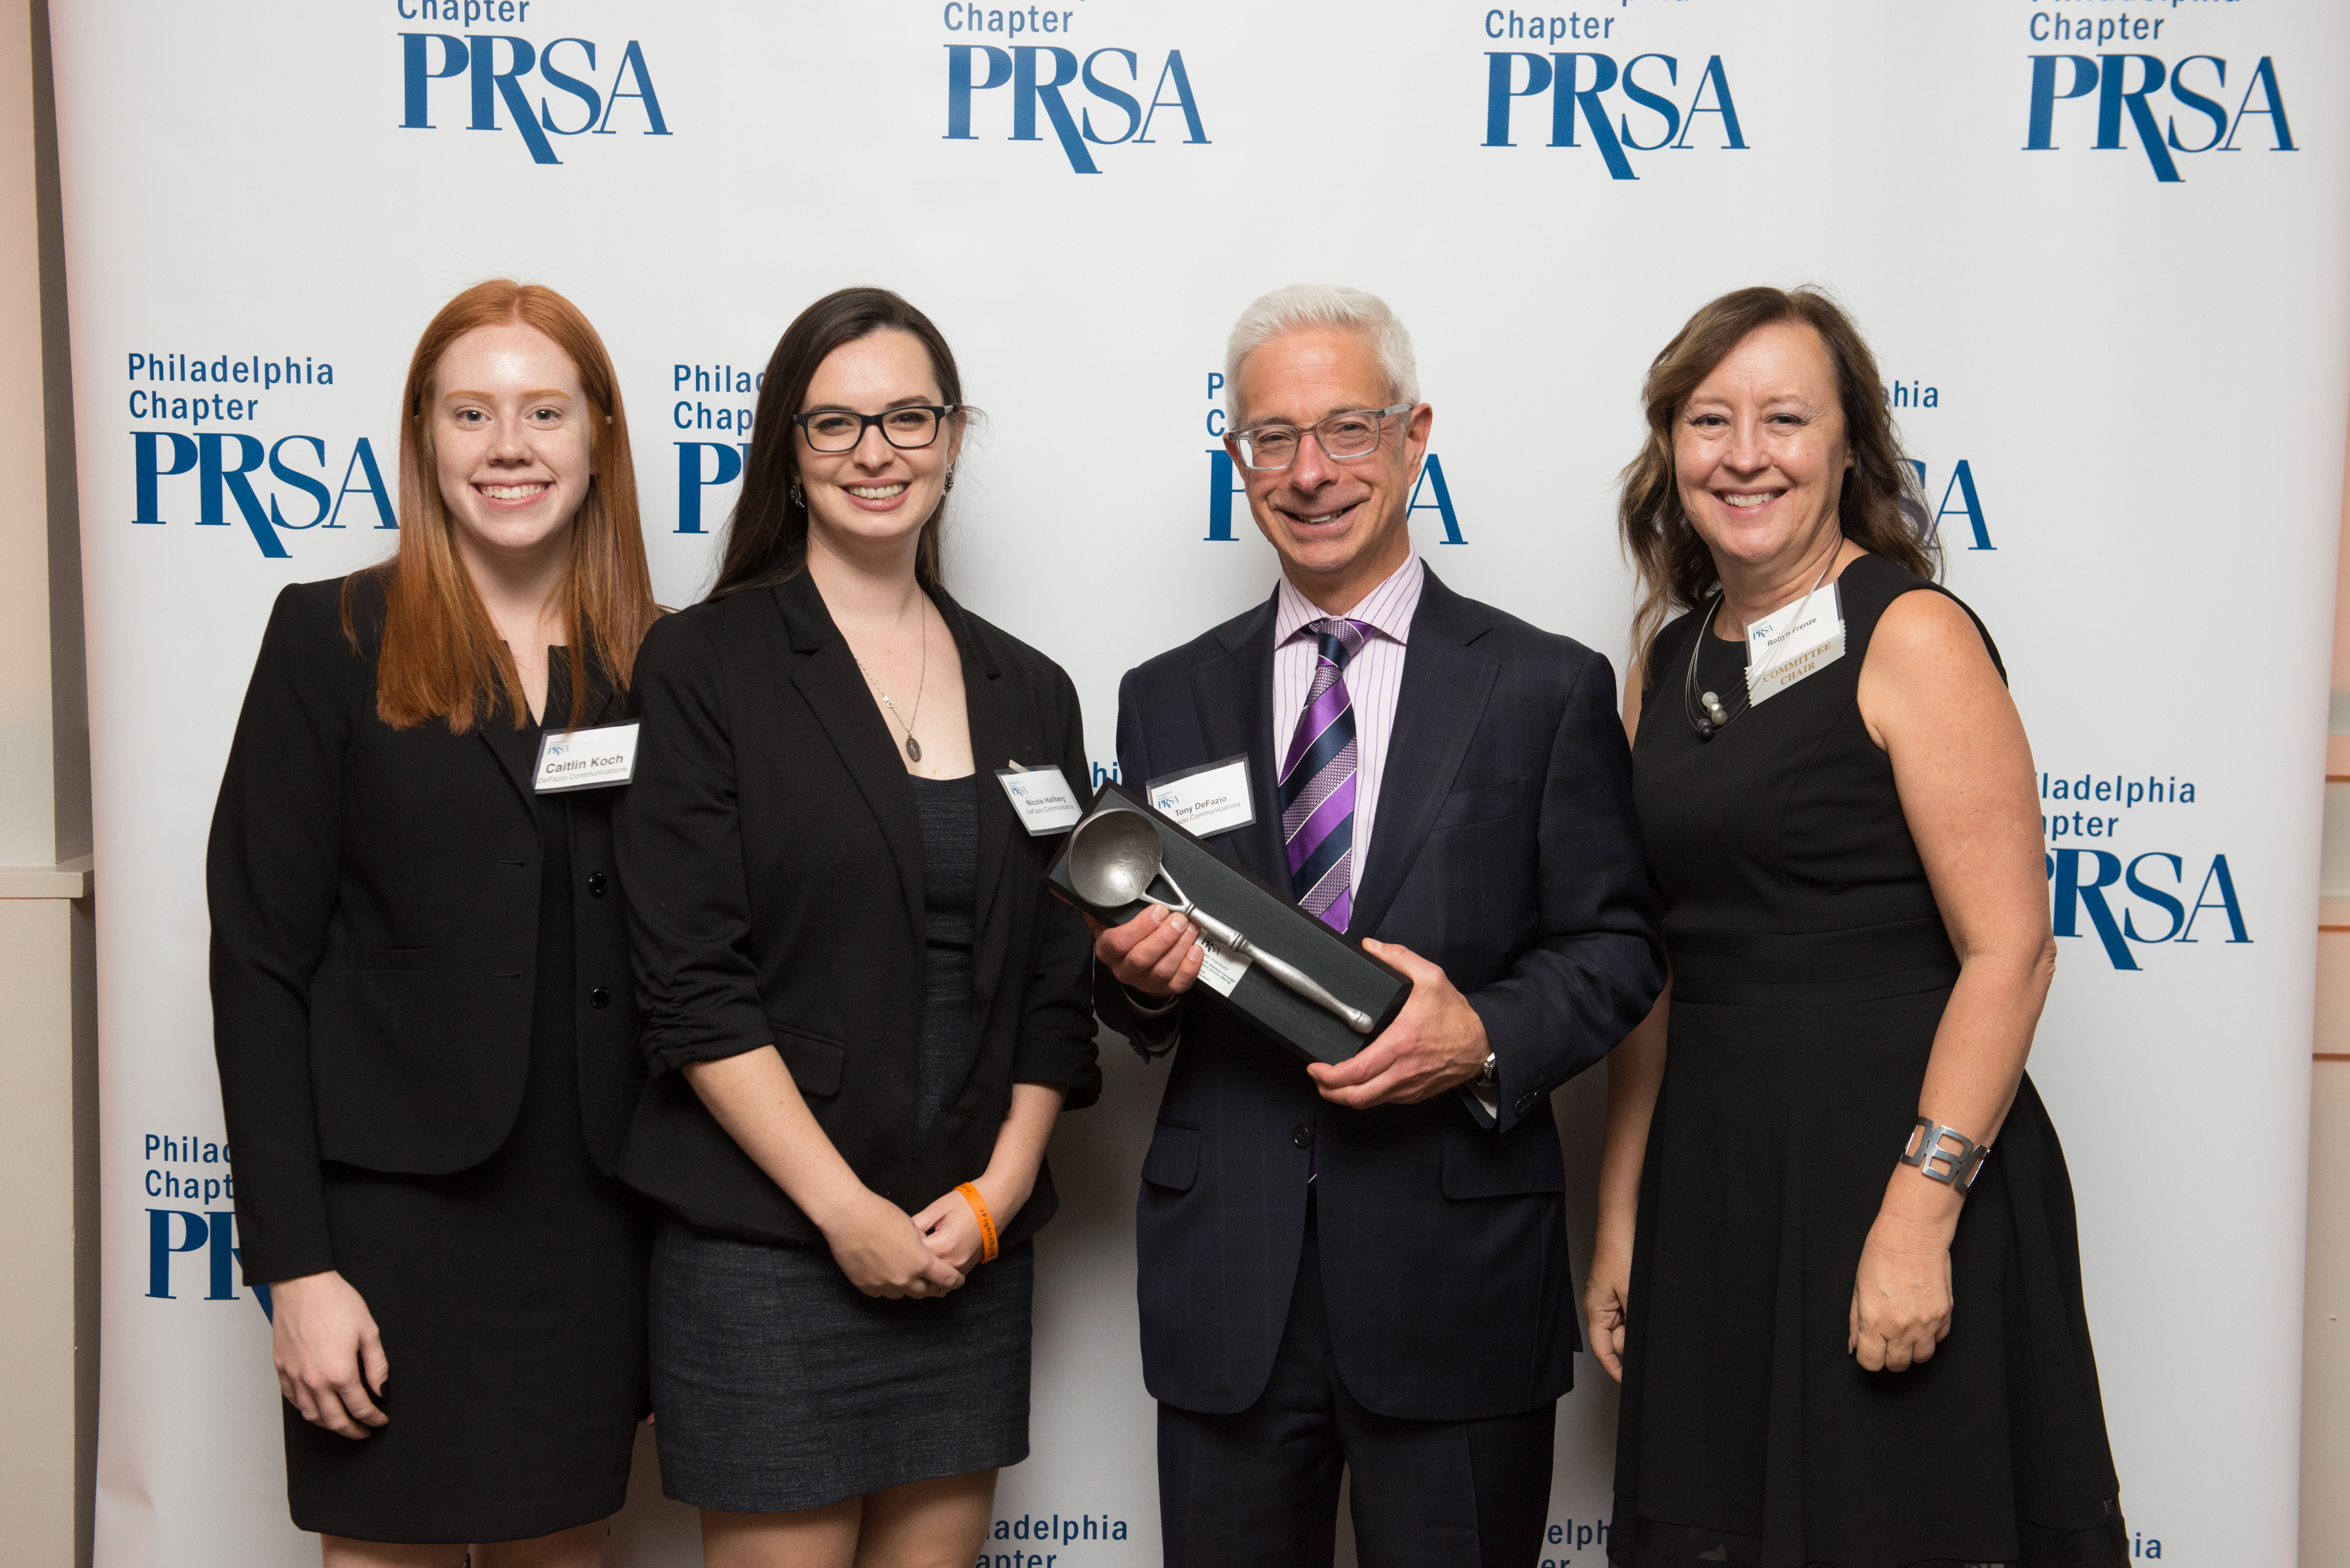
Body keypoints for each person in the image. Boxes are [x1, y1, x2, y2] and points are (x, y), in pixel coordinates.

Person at [1092, 283, 1666, 1567]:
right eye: (1270, 439)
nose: (1310, 471)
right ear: (1236, 461)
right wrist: (1131, 980)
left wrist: (1483, 1037)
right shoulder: (1164, 696)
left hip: (1452, 1270)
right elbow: (1140, 985)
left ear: (1414, 438)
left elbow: (1620, 946)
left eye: (1347, 429)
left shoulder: (1541, 688)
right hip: (1229, 1282)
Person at [1586, 285, 2127, 1567]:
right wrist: (1621, 1213)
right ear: (1670, 449)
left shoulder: (1912, 633)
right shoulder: (1666, 659)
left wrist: (1918, 1213)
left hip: (1884, 1169)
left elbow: (2012, 949)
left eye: (1784, 417)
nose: (1744, 451)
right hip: (1718, 1187)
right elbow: (1655, 968)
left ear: (1848, 447)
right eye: (1708, 419)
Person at [612, 286, 1099, 1568]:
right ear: (785, 447)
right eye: (835, 424)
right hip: (772, 1242)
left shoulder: (1030, 688)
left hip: (964, 1245)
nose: (874, 452)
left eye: (905, 418)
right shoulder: (705, 664)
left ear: (950, 437)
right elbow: (692, 982)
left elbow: (1058, 976)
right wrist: (843, 1210)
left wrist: (995, 1196)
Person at [208, 280, 661, 1566]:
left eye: (542, 411)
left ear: (600, 436)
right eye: (471, 412)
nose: (508, 445)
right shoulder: (327, 637)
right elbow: (256, 963)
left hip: (593, 1218)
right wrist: (296, 1271)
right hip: (388, 1228)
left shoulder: (661, 663)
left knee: (566, 1549)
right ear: (422, 437)